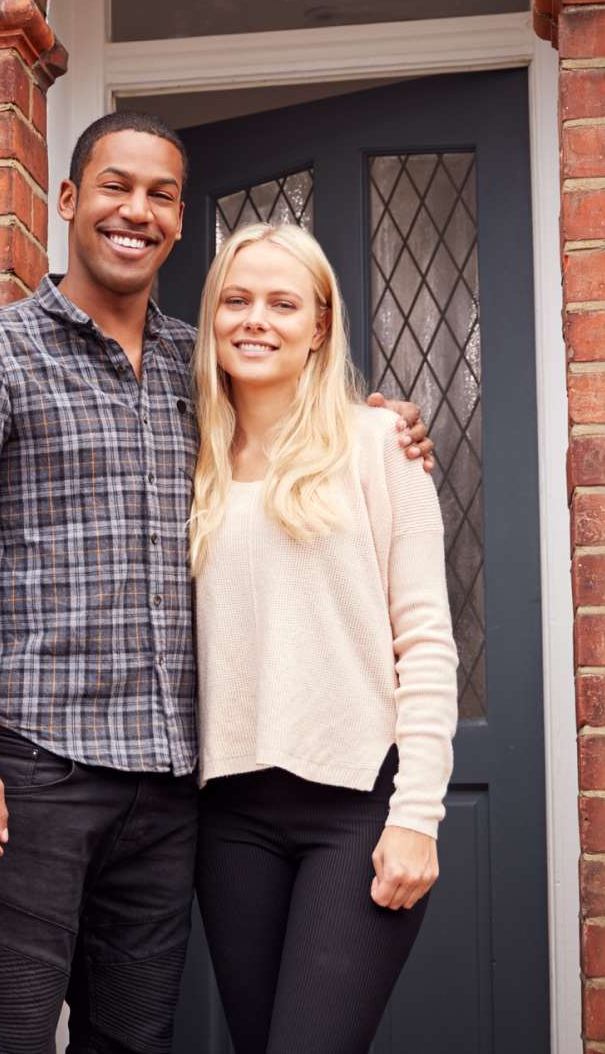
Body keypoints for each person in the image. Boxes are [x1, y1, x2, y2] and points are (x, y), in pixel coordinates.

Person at [0, 112, 434, 1054]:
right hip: (33, 772)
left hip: (170, 792)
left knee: (133, 1044)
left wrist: (384, 423)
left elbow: (301, 422)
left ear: (179, 223)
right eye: (115, 187)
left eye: (161, 196)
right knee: (6, 1038)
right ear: (67, 200)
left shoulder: (199, 367)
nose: (136, 212)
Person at [189, 222, 457, 1053]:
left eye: (282, 302)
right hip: (228, 815)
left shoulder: (380, 445)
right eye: (236, 300)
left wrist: (417, 816)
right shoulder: (183, 455)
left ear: (321, 326)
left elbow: (427, 643)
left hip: (355, 809)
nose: (256, 319)